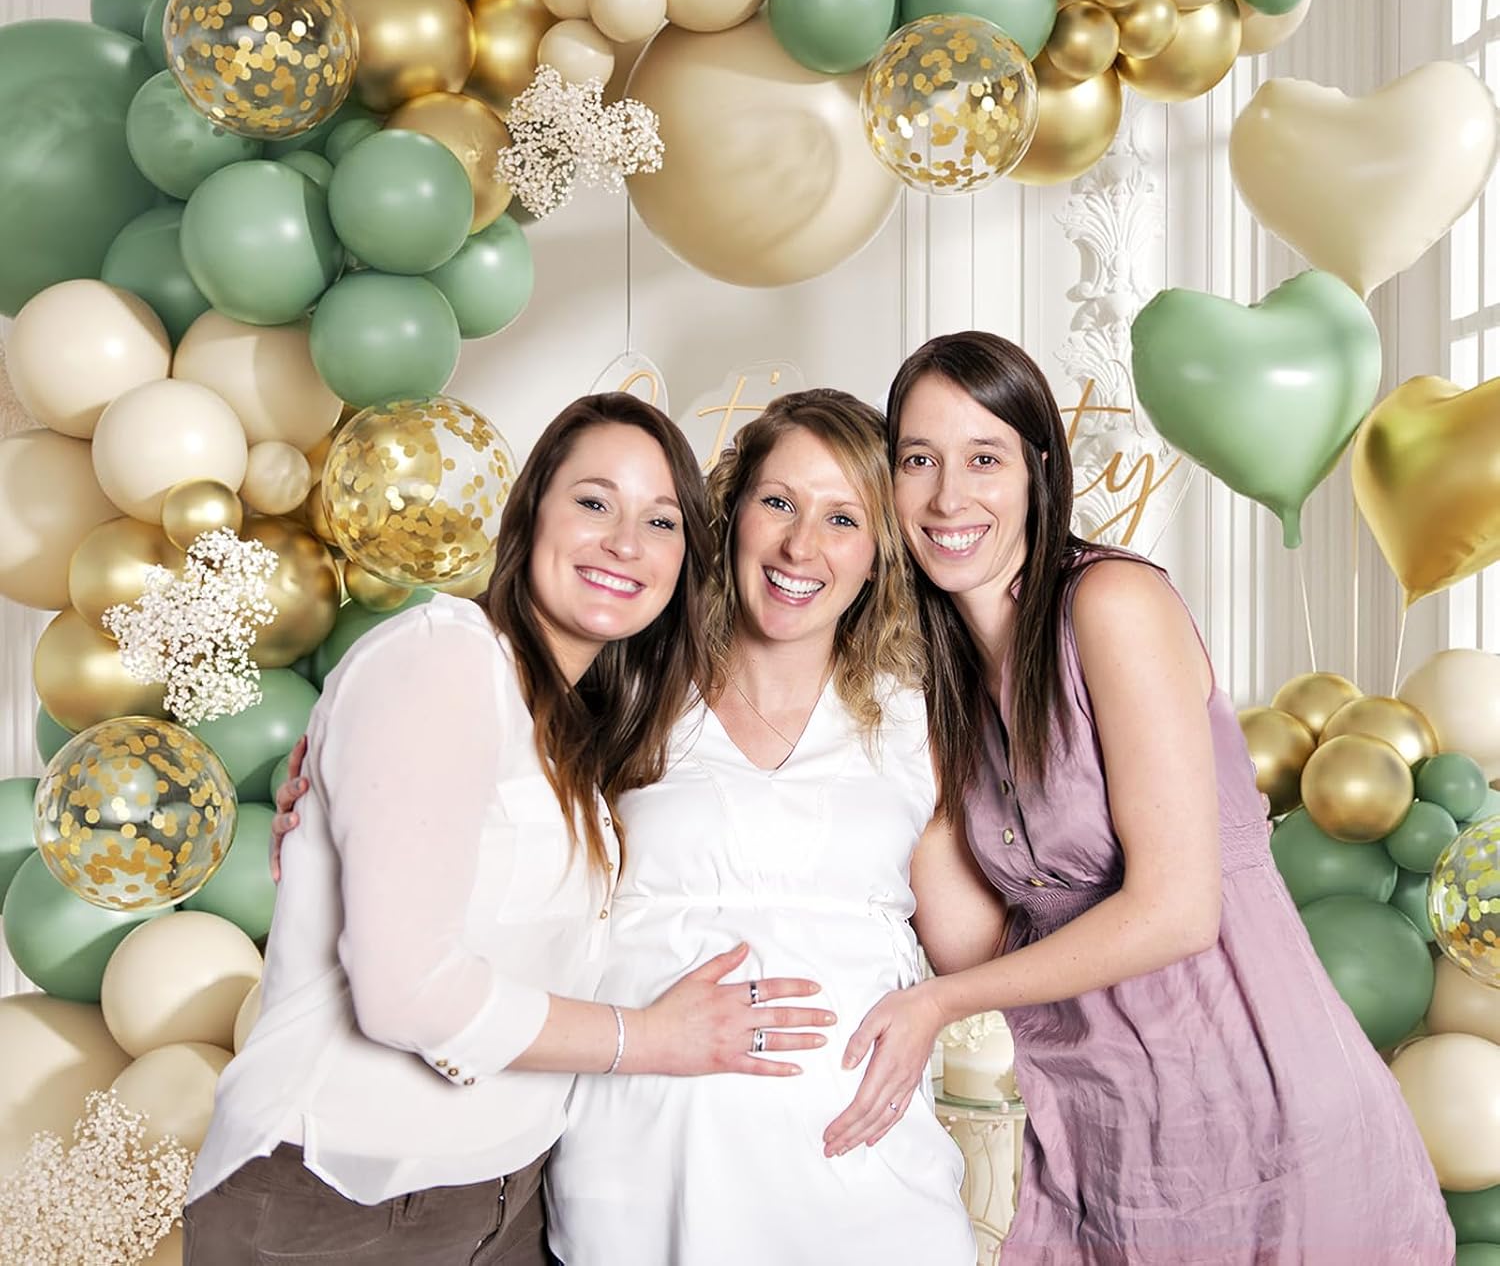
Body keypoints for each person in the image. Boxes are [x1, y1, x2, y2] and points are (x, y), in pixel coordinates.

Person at [820, 332, 1454, 1264]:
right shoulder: (948, 684)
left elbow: (1178, 911)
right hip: (1108, 1144)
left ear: (1040, 471)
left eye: (984, 458)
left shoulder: (1109, 604)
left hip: (1267, 1114)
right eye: (919, 460)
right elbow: (977, 943)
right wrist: (883, 677)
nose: (948, 497)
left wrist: (935, 1007)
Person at [187, 394, 834, 1266]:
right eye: (594, 502)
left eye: (660, 521)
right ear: (531, 514)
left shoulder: (576, 736)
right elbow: (406, 993)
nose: (625, 543)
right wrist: (653, 1039)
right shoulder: (443, 654)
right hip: (337, 1201)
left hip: (511, 1205)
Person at [544, 389, 975, 1266]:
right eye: (778, 502)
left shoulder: (916, 721)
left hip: (861, 1181)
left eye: (842, 519)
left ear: (878, 557)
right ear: (731, 514)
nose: (800, 547)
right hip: (644, 1170)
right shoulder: (625, 686)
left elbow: (975, 947)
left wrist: (938, 1006)